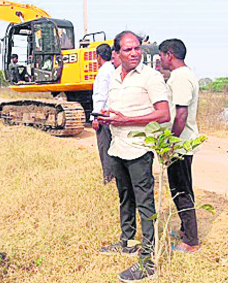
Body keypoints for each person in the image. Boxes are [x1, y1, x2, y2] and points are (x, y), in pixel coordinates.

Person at [97, 30, 170, 282]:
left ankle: (148, 260)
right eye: (128, 49)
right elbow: (120, 109)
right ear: (116, 53)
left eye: (137, 48)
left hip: (139, 150)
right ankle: (127, 241)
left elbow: (163, 114)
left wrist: (130, 120)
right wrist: (108, 115)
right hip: (117, 147)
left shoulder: (151, 77)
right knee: (124, 197)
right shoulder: (114, 77)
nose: (134, 53)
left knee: (144, 203)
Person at [158, 38, 201, 253]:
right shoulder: (181, 75)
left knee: (181, 190)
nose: (160, 59)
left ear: (169, 55)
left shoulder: (181, 78)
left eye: (161, 55)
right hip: (181, 142)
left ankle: (191, 241)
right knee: (180, 188)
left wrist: (169, 144)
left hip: (180, 144)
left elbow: (181, 114)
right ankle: (186, 229)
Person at [92, 43, 116, 184]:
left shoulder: (103, 73)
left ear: (98, 57)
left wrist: (96, 117)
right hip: (111, 114)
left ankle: (108, 177)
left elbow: (101, 96)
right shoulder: (112, 70)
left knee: (104, 147)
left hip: (103, 115)